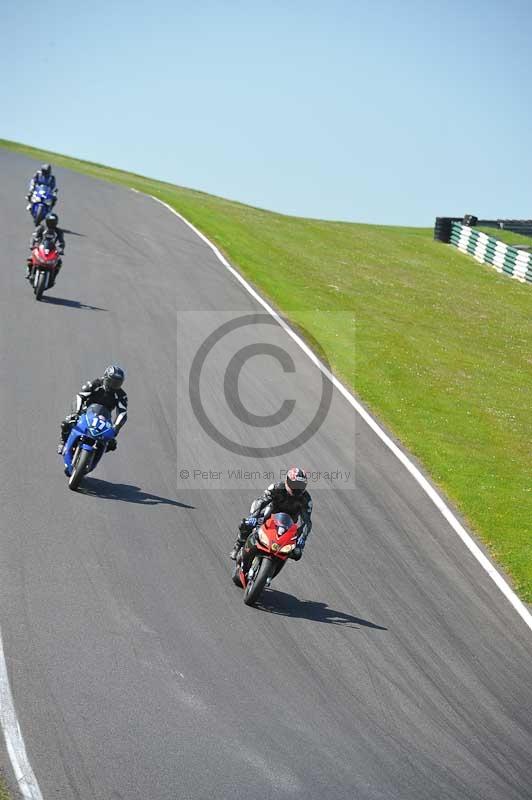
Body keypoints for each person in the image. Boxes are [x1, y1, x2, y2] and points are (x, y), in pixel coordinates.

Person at [230, 467, 313, 561]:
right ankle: (238, 545)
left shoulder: (306, 500)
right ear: (287, 481)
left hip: (288, 525)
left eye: (300, 485)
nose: (296, 488)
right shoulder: (277, 488)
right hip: (269, 516)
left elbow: (306, 522)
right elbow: (260, 501)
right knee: (245, 524)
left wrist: (302, 539)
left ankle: (276, 563)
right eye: (294, 484)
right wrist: (253, 517)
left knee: (297, 553)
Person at [57, 365, 128, 455]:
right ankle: (63, 442)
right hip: (86, 413)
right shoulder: (96, 384)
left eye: (117, 383)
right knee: (66, 423)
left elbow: (123, 412)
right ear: (106, 378)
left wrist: (115, 428)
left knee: (112, 444)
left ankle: (94, 455)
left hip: (103, 420)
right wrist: (75, 413)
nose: (114, 385)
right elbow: (80, 396)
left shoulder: (121, 395)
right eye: (112, 382)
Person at [26, 213, 65, 282]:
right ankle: (29, 272)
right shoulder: (41, 228)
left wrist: (61, 249)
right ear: (47, 221)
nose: (51, 224)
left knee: (59, 262)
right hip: (40, 247)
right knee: (30, 258)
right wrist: (32, 244)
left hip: (52, 250)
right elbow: (34, 236)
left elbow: (61, 241)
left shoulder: (59, 231)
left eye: (53, 222)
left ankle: (52, 278)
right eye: (50, 222)